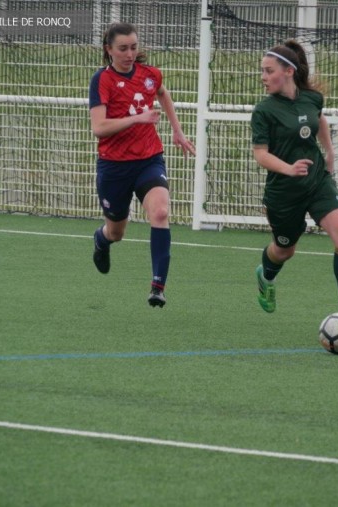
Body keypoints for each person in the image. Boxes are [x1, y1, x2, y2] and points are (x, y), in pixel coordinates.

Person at [251, 40, 338, 325]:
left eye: (269, 71)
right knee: (285, 250)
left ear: (288, 71)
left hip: (317, 181)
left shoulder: (311, 98)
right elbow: (260, 154)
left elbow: (319, 119)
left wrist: (329, 152)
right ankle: (265, 275)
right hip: (284, 193)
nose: (263, 77)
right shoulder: (264, 111)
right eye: (263, 71)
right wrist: (289, 169)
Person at [89, 22, 195, 308]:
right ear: (108, 50)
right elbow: (99, 127)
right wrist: (136, 119)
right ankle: (101, 239)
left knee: (160, 212)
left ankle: (158, 286)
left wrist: (178, 131)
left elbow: (162, 93)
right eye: (123, 48)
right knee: (117, 232)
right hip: (114, 167)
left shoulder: (150, 75)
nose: (129, 54)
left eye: (134, 47)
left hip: (149, 159)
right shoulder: (102, 80)